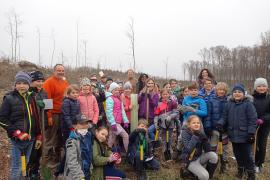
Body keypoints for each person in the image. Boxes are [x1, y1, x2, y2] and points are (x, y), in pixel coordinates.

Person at [0, 71, 42, 180]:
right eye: (19, 83)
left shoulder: (32, 97)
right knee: (16, 167)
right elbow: (2, 118)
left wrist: (38, 135)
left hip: (30, 139)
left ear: (29, 85)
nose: (21, 86)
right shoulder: (9, 98)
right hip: (17, 140)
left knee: (25, 164)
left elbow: (36, 118)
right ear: (15, 85)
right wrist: (17, 133)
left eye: (24, 83)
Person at [216, 84, 257, 180]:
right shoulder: (228, 104)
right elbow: (224, 117)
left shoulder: (248, 104)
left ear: (244, 94)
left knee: (247, 155)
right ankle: (241, 170)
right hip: (233, 135)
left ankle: (251, 173)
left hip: (245, 135)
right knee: (237, 154)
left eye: (239, 92)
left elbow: (253, 120)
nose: (237, 94)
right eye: (235, 92)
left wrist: (251, 133)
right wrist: (220, 123)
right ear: (232, 94)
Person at [42, 64, 69, 172]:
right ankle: (45, 163)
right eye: (58, 70)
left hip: (62, 113)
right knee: (50, 138)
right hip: (53, 114)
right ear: (54, 71)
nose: (61, 72)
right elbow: (47, 100)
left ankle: (56, 160)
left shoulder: (65, 82)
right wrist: (49, 116)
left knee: (60, 138)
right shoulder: (49, 82)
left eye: (62, 70)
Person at [180, 115, 218, 180]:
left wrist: (205, 140)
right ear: (189, 125)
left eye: (198, 123)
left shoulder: (200, 132)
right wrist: (195, 136)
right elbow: (188, 149)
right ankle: (188, 173)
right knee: (204, 176)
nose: (196, 124)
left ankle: (210, 177)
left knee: (213, 155)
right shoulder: (185, 133)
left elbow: (208, 150)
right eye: (194, 123)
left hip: (199, 157)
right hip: (189, 160)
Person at [204, 82, 229, 173]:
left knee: (225, 148)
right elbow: (208, 115)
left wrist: (225, 125)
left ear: (225, 91)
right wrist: (207, 126)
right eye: (219, 89)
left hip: (224, 129)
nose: (221, 91)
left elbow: (228, 115)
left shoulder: (228, 101)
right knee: (213, 146)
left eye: (223, 90)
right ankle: (212, 164)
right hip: (214, 129)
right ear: (216, 90)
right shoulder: (211, 100)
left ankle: (224, 163)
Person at [57, 84, 81, 176]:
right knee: (68, 148)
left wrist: (80, 123)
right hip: (67, 129)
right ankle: (61, 169)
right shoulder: (66, 102)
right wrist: (71, 127)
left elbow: (78, 114)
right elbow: (66, 116)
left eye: (77, 93)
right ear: (68, 93)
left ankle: (71, 167)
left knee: (74, 148)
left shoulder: (77, 102)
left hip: (75, 127)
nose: (75, 94)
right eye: (73, 93)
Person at [28, 70, 48, 179]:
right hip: (32, 127)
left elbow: (48, 106)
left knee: (40, 150)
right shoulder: (29, 93)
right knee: (33, 151)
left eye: (41, 81)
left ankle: (37, 170)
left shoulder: (43, 92)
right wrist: (36, 104)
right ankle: (31, 171)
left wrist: (46, 106)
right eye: (37, 81)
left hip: (42, 125)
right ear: (32, 82)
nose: (40, 83)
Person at [64, 114, 93, 180]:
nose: (85, 126)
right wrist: (80, 177)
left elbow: (89, 153)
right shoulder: (71, 141)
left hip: (87, 172)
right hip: (76, 176)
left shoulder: (88, 136)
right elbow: (72, 162)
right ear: (74, 126)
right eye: (82, 123)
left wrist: (90, 167)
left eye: (86, 123)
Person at [153, 89, 179, 160]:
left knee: (169, 139)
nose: (165, 96)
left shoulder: (173, 103)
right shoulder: (159, 104)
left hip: (170, 125)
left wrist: (170, 116)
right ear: (161, 95)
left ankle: (170, 152)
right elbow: (156, 115)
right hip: (162, 125)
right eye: (163, 94)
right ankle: (164, 152)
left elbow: (176, 113)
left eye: (166, 94)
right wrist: (156, 123)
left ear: (169, 94)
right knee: (164, 139)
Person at [252, 78, 270, 173]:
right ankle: (254, 163)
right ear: (255, 88)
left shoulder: (269, 98)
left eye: (263, 86)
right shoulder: (252, 98)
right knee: (254, 144)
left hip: (265, 125)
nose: (261, 88)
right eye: (259, 86)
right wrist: (254, 119)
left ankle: (260, 163)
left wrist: (263, 119)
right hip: (253, 125)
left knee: (262, 145)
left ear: (267, 87)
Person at [106, 82, 129, 152]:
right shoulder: (109, 99)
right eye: (115, 90)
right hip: (113, 122)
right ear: (111, 90)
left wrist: (125, 121)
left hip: (117, 122)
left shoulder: (118, 99)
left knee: (112, 138)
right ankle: (128, 152)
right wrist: (112, 123)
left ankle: (107, 152)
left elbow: (122, 111)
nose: (117, 91)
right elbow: (109, 112)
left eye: (118, 90)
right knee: (125, 136)